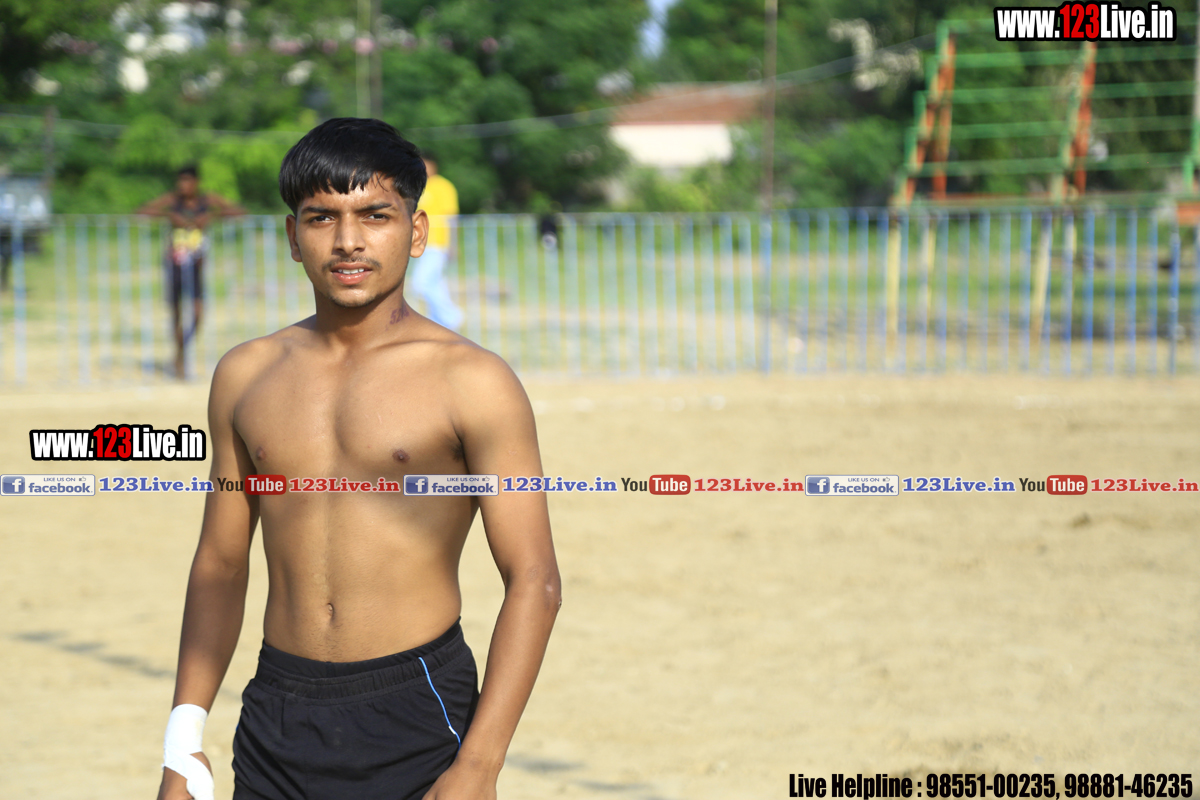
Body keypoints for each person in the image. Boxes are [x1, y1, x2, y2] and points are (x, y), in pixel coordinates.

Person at [154, 118, 561, 800]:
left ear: (417, 231)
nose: (348, 241)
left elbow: (535, 579)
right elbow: (220, 565)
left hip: (417, 709)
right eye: (322, 218)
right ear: (293, 237)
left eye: (375, 215)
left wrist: (479, 766)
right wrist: (182, 745)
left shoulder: (472, 380)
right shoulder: (245, 375)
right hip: (277, 713)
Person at [136, 166, 244, 378]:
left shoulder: (207, 200)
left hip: (196, 265)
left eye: (187, 181)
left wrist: (212, 216)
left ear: (196, 182)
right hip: (174, 265)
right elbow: (142, 212)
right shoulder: (172, 200)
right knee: (176, 312)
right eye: (180, 181)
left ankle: (181, 350)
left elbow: (239, 212)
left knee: (197, 313)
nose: (183, 185)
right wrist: (169, 216)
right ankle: (179, 356)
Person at [408, 152, 464, 331]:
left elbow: (451, 218)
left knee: (420, 283)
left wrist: (453, 244)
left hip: (438, 243)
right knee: (435, 284)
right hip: (421, 244)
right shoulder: (417, 186)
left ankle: (451, 316)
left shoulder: (443, 186)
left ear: (434, 165)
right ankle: (438, 323)